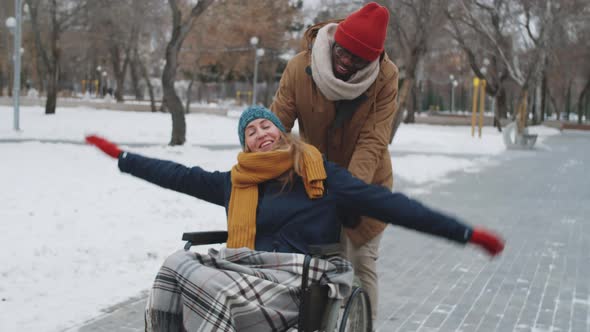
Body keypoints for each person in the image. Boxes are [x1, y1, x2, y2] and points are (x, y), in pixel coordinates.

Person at [86, 106, 504, 332]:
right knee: (174, 267)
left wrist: (465, 233)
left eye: (266, 124)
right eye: (250, 132)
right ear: (246, 146)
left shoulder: (319, 175)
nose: (260, 133)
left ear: (282, 132)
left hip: (299, 284)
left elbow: (390, 204)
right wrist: (122, 157)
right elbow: (176, 175)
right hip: (243, 271)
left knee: (217, 294)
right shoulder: (235, 183)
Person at [270, 2, 398, 318]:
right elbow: (277, 127)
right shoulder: (300, 68)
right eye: (342, 52)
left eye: (357, 59)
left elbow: (373, 140)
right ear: (334, 42)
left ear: (372, 60)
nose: (346, 62)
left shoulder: (385, 77)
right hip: (314, 182)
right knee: (315, 265)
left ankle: (360, 325)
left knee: (358, 262)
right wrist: (259, 166)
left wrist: (349, 190)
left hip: (367, 186)